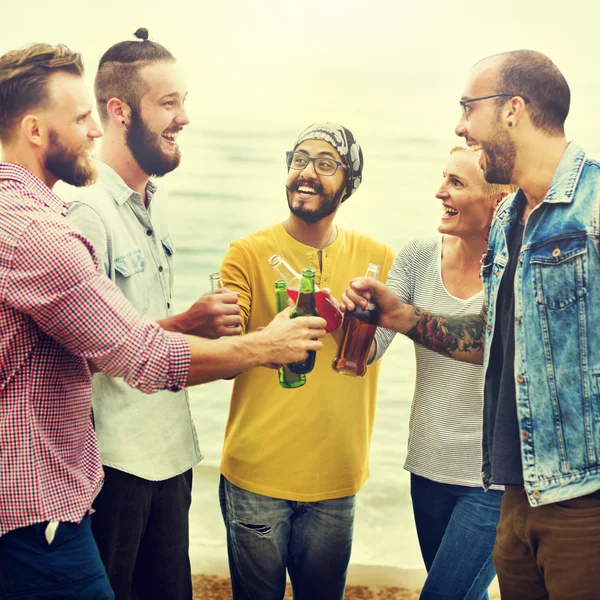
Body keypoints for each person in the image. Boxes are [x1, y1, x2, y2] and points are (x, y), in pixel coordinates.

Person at [0, 43, 325, 599]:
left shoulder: (43, 213)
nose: (94, 131)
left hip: (100, 477)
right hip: (41, 503)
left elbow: (100, 338)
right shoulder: (45, 230)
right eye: (81, 118)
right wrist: (263, 347)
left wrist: (184, 325)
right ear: (34, 130)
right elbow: (139, 355)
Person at [343, 50, 600, 600]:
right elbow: (493, 334)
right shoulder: (512, 217)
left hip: (583, 502)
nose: (460, 126)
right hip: (510, 488)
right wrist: (401, 317)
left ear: (512, 109)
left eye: (468, 107)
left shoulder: (595, 211)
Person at [65, 29, 240, 600]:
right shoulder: (84, 211)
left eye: (183, 101)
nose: (184, 117)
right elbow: (86, 353)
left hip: (170, 456)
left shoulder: (153, 203)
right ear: (118, 111)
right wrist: (191, 325)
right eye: (169, 103)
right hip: (114, 467)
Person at [218, 122, 395, 600]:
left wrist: (354, 320)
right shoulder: (247, 254)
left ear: (350, 180)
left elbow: (377, 349)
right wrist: (261, 336)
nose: (307, 173)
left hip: (337, 475)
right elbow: (224, 357)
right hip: (256, 474)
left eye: (325, 163)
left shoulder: (378, 259)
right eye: (299, 159)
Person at [372, 146, 515, 600]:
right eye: (443, 178)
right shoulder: (417, 256)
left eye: (457, 183)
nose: (440, 192)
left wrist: (402, 316)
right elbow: (370, 350)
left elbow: (497, 345)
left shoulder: (518, 268)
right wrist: (345, 315)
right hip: (427, 468)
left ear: (499, 199)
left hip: (490, 484)